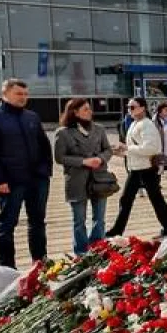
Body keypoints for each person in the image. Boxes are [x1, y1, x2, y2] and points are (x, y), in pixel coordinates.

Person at [0, 78, 52, 269]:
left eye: (26, 94)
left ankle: (39, 262)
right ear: (6, 93)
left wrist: (45, 172)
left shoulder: (31, 117)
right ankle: (6, 267)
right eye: (19, 94)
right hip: (10, 181)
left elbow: (44, 146)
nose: (23, 98)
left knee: (37, 222)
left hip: (37, 180)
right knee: (7, 224)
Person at [105, 97, 167, 239]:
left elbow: (149, 148)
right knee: (138, 199)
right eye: (128, 107)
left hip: (145, 168)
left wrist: (126, 148)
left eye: (132, 107)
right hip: (138, 167)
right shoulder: (135, 123)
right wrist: (122, 151)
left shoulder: (146, 125)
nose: (129, 110)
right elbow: (136, 148)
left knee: (140, 199)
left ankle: (118, 230)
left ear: (142, 108)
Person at [53, 98, 113, 255]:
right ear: (75, 112)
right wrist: (83, 161)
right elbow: (60, 158)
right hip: (76, 180)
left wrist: (100, 159)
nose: (90, 111)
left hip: (99, 179)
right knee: (79, 221)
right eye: (86, 109)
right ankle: (81, 252)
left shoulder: (99, 129)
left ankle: (97, 249)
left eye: (90, 108)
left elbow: (108, 150)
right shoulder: (63, 132)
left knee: (99, 219)